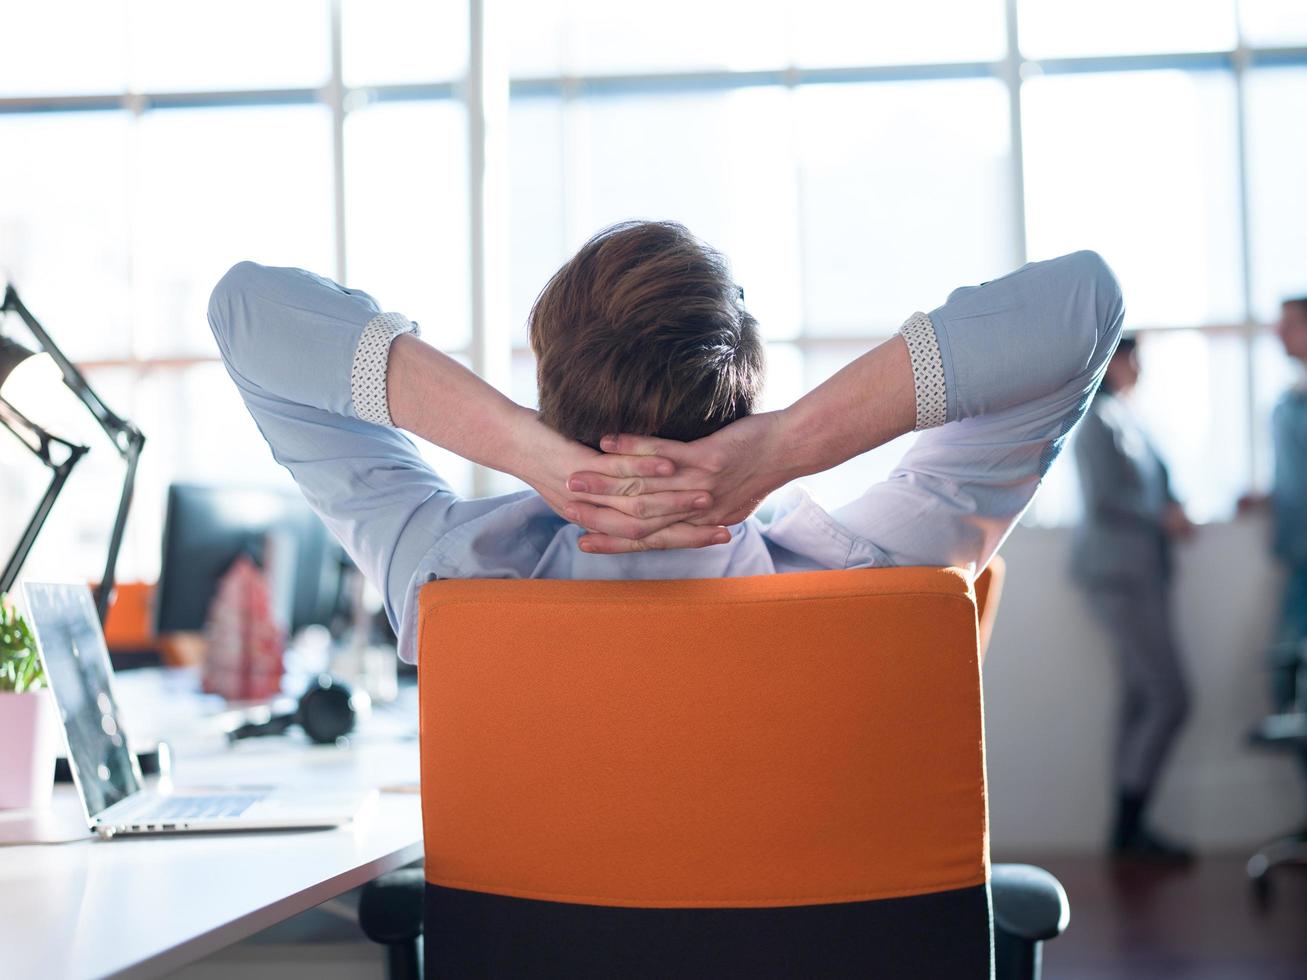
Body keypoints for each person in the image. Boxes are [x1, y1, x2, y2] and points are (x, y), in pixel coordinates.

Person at [207, 221, 1122, 670]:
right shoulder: (883, 577)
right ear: (747, 388)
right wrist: (787, 447)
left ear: (546, 387)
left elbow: (246, 312)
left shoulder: (443, 577)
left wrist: (530, 454)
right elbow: (1083, 305)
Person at [1071, 336, 1195, 863]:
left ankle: (1128, 828)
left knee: (1141, 695)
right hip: (1119, 575)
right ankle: (1130, 821)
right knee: (1169, 695)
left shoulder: (1126, 418)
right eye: (1132, 358)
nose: (1139, 368)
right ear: (1113, 362)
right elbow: (1106, 498)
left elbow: (1150, 486)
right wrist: (1160, 517)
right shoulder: (1096, 421)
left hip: (1142, 572)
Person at [1241, 296, 1307, 814]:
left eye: (1288, 326)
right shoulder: (1288, 401)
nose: (1278, 336)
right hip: (1297, 561)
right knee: (1287, 683)